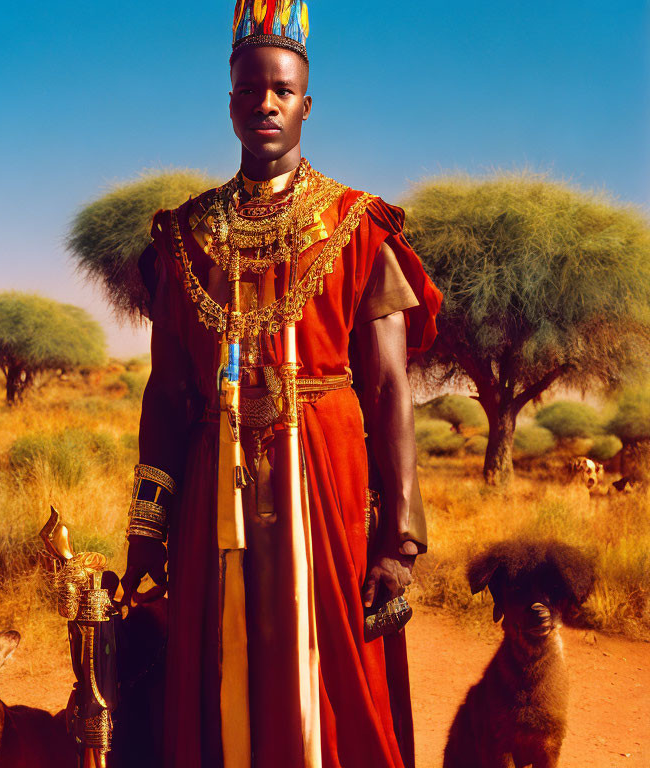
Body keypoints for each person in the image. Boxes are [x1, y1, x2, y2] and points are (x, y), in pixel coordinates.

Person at [119, 2, 442, 766]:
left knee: (333, 675)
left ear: (305, 104)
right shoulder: (183, 235)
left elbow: (391, 390)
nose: (265, 102)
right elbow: (167, 394)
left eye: (282, 90)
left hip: (327, 487)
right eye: (249, 88)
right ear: (229, 100)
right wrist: (146, 528)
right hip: (210, 490)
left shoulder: (358, 226)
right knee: (217, 670)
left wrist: (397, 540)